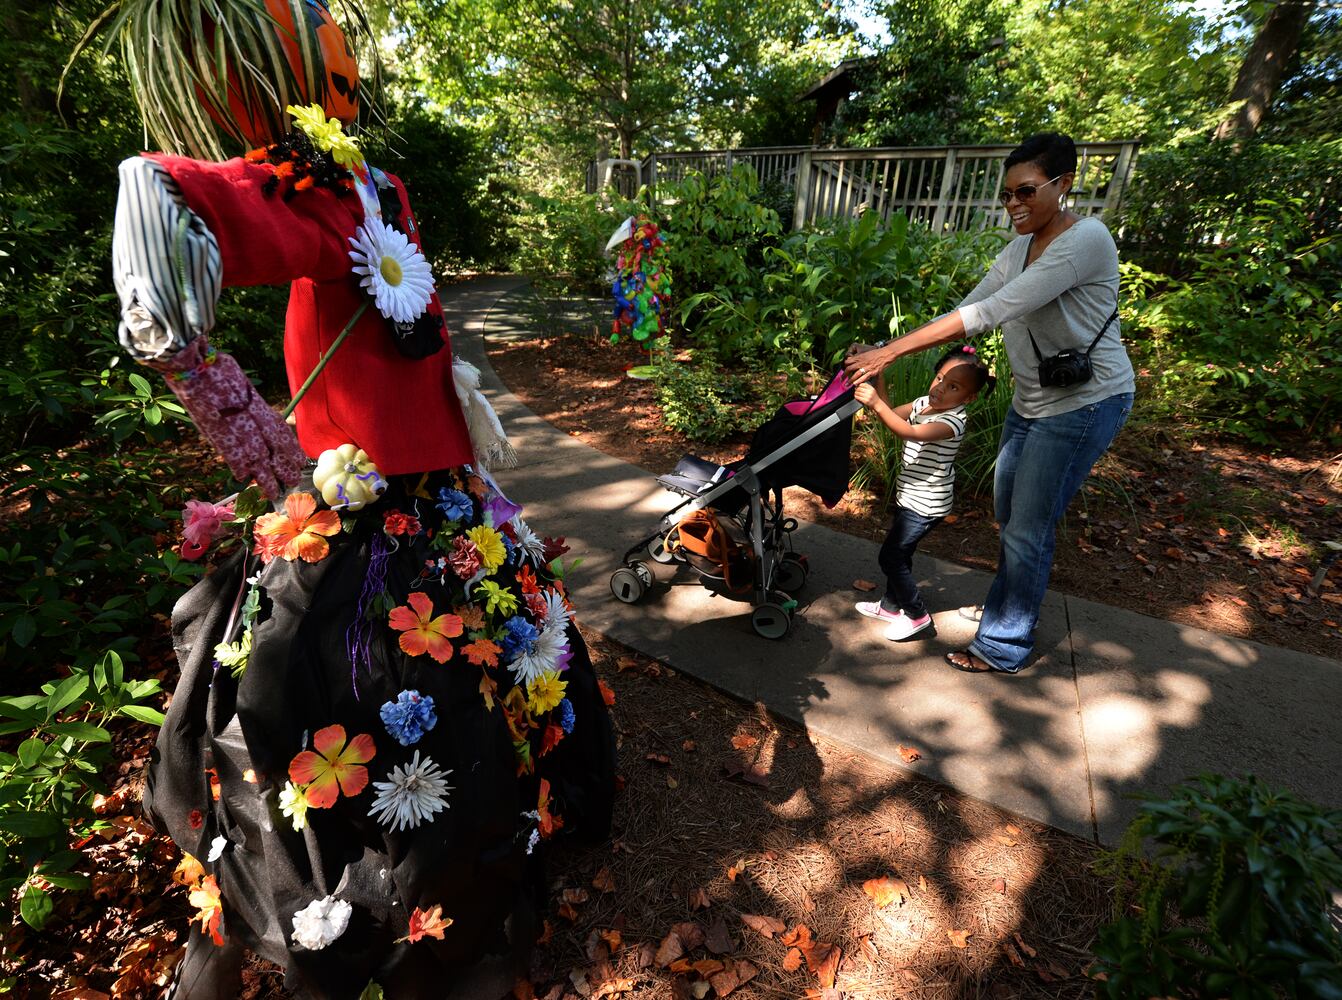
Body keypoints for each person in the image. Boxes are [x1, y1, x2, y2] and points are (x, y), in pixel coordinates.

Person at [81, 2, 615, 996]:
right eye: (318, 35)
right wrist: (233, 406)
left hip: (441, 497)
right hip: (370, 512)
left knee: (491, 668)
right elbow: (190, 203)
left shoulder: (369, 186)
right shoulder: (323, 187)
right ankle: (391, 893)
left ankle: (493, 837)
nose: (342, 55)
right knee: (388, 697)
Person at [843, 132, 1134, 675]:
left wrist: (890, 352)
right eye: (1006, 194)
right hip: (1032, 402)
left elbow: (994, 311)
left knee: (1027, 528)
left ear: (1064, 184)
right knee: (1009, 515)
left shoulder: (1085, 240)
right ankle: (1008, 605)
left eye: (1026, 191)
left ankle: (1003, 644)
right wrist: (885, 350)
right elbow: (968, 307)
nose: (1013, 204)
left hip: (1085, 403)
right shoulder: (1017, 249)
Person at [853, 346, 994, 640]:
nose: (940, 388)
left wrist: (875, 402)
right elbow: (893, 415)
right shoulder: (924, 404)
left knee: (891, 557)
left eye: (953, 387)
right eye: (940, 378)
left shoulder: (953, 421)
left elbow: (909, 432)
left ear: (968, 398)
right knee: (900, 554)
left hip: (927, 505)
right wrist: (880, 377)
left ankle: (917, 615)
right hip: (910, 496)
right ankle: (891, 606)